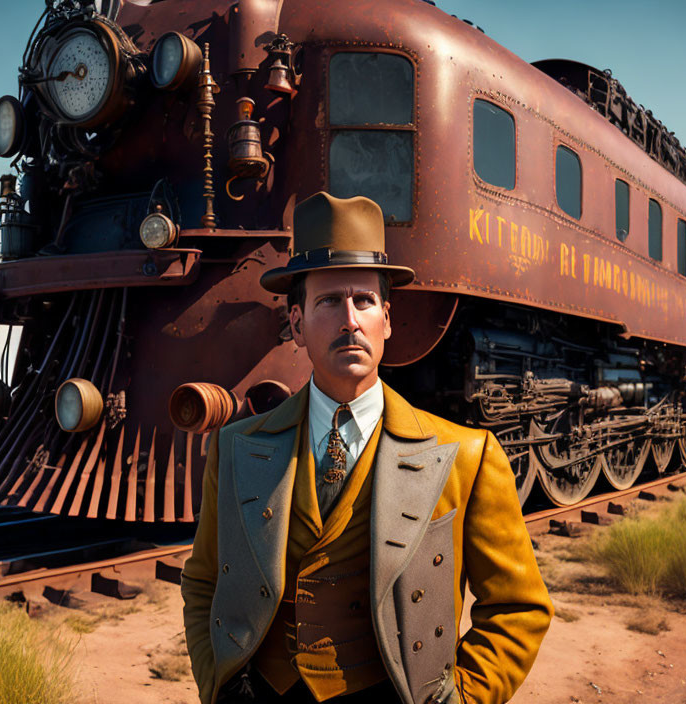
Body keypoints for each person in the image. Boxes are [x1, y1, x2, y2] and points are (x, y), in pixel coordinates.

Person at [181, 192, 552, 704]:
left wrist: (463, 696)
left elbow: (520, 607)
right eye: (329, 301)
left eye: (364, 301)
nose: (349, 320)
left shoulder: (465, 456)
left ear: (387, 320)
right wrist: (216, 681)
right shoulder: (238, 448)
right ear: (296, 324)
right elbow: (202, 584)